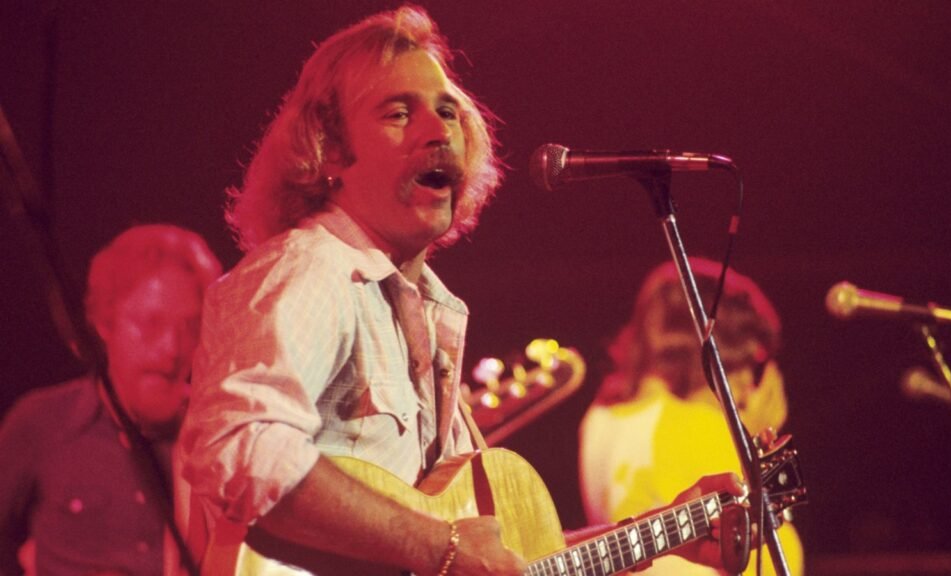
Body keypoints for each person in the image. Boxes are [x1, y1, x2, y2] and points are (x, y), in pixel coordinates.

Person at [178, 6, 744, 576]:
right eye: (399, 113)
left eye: (448, 112)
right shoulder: (312, 269)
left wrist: (662, 535)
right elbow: (241, 446)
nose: (439, 131)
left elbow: (500, 562)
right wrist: (439, 547)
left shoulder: (423, 308)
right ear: (329, 150)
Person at [0, 224, 223, 576]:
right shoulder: (41, 422)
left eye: (190, 327)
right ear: (106, 323)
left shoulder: (214, 435)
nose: (172, 348)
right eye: (151, 324)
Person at [579, 257, 805, 576]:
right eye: (751, 366)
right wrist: (750, 451)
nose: (747, 389)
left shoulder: (599, 419)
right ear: (720, 357)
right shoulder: (695, 425)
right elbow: (771, 562)